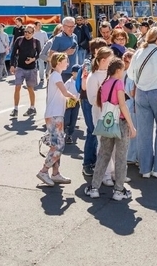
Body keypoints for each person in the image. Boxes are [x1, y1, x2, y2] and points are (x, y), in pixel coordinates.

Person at [127, 27, 157, 178]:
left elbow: (130, 74)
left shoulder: (138, 53)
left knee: (144, 133)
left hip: (141, 94)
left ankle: (145, 168)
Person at [85, 58, 137, 201]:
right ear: (118, 70)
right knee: (121, 157)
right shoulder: (118, 83)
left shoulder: (105, 83)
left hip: (107, 122)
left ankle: (94, 187)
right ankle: (119, 190)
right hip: (120, 122)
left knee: (103, 155)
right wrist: (131, 125)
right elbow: (122, 105)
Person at [36, 53, 76, 187]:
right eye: (66, 61)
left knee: (56, 144)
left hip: (55, 114)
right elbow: (65, 92)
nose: (68, 64)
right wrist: (75, 97)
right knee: (59, 145)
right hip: (54, 115)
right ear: (58, 62)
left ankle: (56, 173)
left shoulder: (55, 75)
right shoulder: (56, 76)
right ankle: (44, 171)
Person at [86, 46, 115, 185]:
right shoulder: (93, 77)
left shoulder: (110, 74)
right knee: (104, 145)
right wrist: (108, 99)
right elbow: (92, 99)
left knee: (114, 144)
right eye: (110, 60)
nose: (112, 62)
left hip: (112, 113)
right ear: (103, 60)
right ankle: (105, 174)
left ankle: (114, 172)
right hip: (100, 114)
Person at [79, 38, 109, 176]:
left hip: (100, 101)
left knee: (98, 130)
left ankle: (97, 161)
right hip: (88, 100)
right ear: (96, 50)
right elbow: (84, 85)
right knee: (92, 130)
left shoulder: (105, 64)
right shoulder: (88, 64)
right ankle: (87, 163)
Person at [9, 24, 41, 118]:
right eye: (25, 32)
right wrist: (12, 65)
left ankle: (32, 108)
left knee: (30, 88)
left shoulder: (36, 42)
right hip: (20, 68)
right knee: (17, 87)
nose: (27, 34)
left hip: (31, 68)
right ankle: (15, 109)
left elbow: (40, 54)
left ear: (33, 33)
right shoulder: (19, 40)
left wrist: (33, 59)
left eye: (29, 32)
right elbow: (13, 53)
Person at [50, 17, 78, 82]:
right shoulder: (58, 38)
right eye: (69, 27)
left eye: (73, 26)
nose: (71, 29)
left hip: (74, 71)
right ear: (63, 26)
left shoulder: (75, 36)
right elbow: (51, 55)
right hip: (63, 72)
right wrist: (65, 53)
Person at [63, 64, 81, 144]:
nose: (79, 74)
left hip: (76, 103)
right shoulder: (69, 82)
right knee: (67, 119)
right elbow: (63, 91)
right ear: (73, 73)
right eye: (77, 73)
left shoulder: (80, 82)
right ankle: (63, 131)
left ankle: (69, 135)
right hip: (68, 103)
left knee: (74, 119)